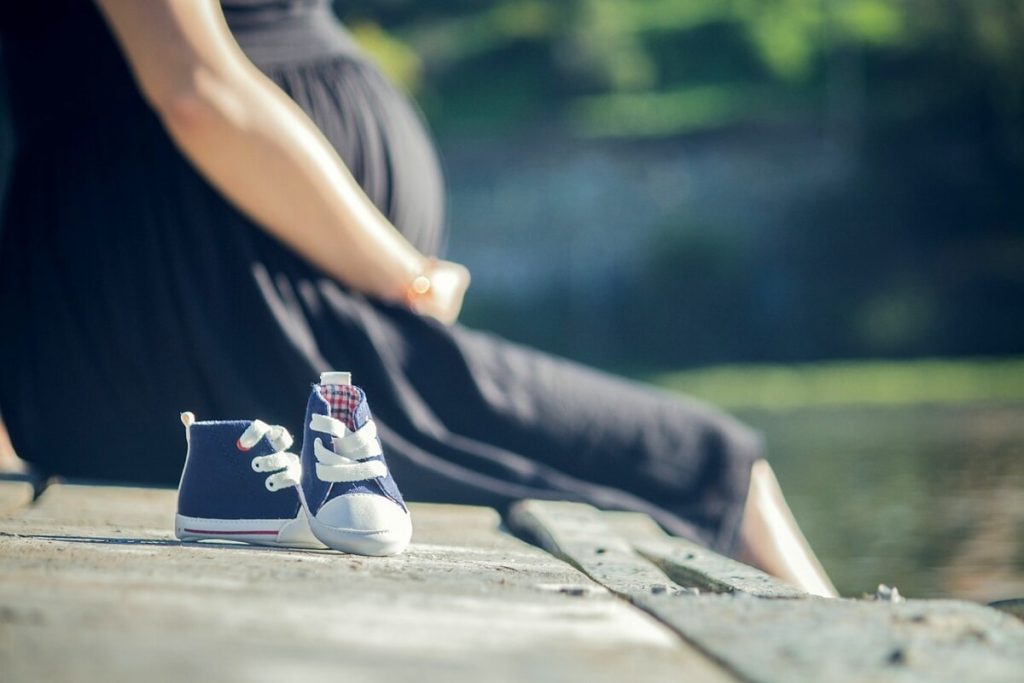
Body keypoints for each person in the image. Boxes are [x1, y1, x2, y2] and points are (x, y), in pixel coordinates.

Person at [0, 0, 837, 597]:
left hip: (218, 310)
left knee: (706, 467)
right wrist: (403, 272)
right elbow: (197, 91)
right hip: (204, 310)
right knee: (708, 465)